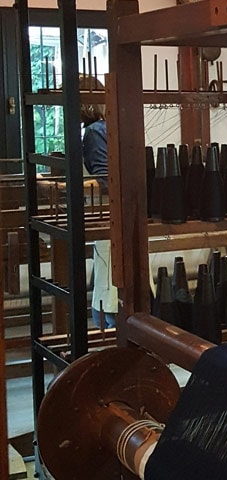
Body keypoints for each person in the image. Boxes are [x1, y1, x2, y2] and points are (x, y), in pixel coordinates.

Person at [80, 90, 118, 328]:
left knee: (108, 295)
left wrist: (60, 187)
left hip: (108, 215)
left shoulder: (94, 132)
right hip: (115, 215)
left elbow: (105, 180)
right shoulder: (108, 128)